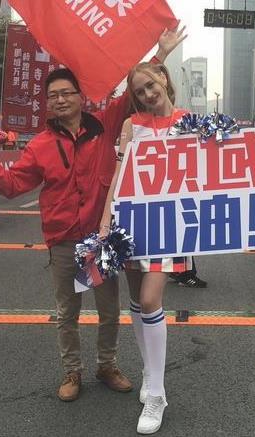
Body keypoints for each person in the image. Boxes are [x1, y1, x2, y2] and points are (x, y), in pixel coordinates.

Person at [0, 28, 184, 405]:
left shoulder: (105, 125)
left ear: (81, 97)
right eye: (53, 95)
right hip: (63, 240)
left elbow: (136, 91)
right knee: (67, 312)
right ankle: (72, 371)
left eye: (67, 93)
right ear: (47, 104)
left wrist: (159, 54)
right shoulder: (40, 146)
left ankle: (107, 365)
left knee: (109, 310)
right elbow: (13, 185)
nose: (61, 99)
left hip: (101, 238)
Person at [99, 59, 191, 435]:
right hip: (134, 220)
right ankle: (150, 373)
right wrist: (106, 219)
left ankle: (156, 393)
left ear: (164, 79)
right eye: (140, 91)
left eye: (151, 85)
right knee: (137, 301)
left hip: (172, 223)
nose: (148, 94)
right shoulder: (131, 125)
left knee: (151, 300)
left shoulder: (190, 122)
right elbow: (120, 175)